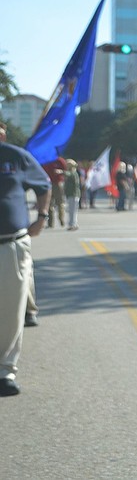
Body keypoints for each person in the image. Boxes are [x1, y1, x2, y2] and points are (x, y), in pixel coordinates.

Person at [0, 122, 51, 396]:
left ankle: (4, 370)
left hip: (9, 244)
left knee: (9, 312)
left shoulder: (15, 157)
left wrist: (42, 218)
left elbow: (43, 185)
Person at [42, 156, 67, 227]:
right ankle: (50, 223)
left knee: (60, 203)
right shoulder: (46, 160)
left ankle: (61, 219)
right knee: (49, 204)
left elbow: (66, 171)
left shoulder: (60, 160)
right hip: (48, 184)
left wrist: (61, 171)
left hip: (58, 183)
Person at [64, 159, 81, 230]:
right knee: (73, 210)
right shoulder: (72, 173)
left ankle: (72, 225)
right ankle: (74, 223)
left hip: (73, 194)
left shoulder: (73, 173)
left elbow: (69, 174)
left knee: (72, 211)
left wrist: (62, 172)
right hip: (71, 194)